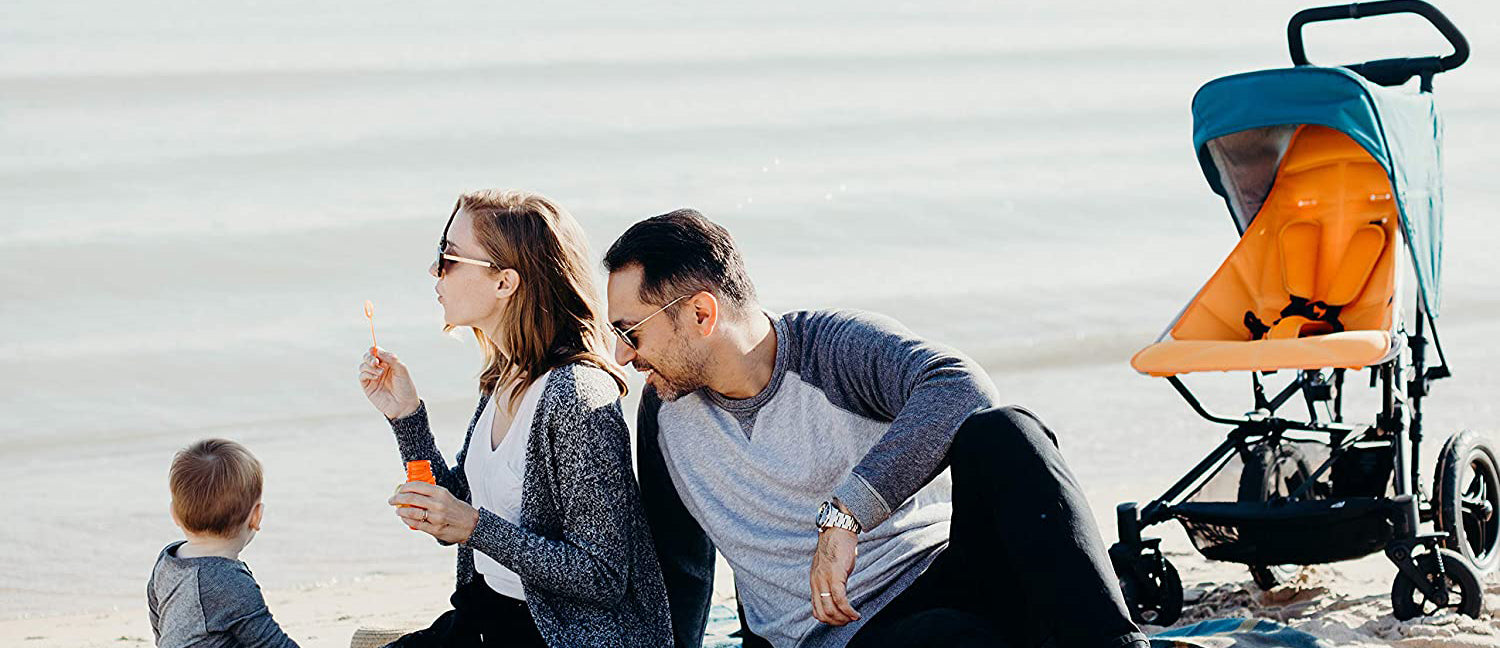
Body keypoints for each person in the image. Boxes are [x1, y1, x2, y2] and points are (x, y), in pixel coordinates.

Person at [602, 209, 1148, 648]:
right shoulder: (665, 413)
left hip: (946, 574)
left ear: (701, 313)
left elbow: (963, 387)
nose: (623, 356)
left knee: (1005, 433)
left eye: (631, 332)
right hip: (847, 634)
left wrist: (847, 514)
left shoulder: (832, 350)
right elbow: (680, 562)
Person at [358, 190, 671, 648]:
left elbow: (603, 575)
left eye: (448, 258)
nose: (434, 271)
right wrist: (406, 417)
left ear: (505, 282)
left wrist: (472, 527)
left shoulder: (576, 397)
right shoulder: (504, 375)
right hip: (487, 614)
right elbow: (459, 508)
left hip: (561, 634)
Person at [148, 438, 299, 647]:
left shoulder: (167, 560)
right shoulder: (230, 582)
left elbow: (159, 623)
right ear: (256, 516)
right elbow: (272, 644)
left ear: (174, 513)